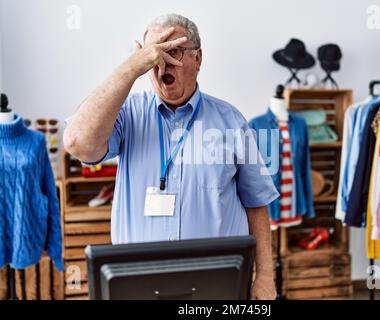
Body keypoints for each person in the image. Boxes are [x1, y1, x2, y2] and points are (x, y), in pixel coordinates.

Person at [63, 14, 279, 299]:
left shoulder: (232, 121)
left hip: (216, 285)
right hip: (137, 283)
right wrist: (131, 67)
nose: (161, 62)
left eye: (173, 51)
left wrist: (264, 275)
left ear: (198, 58)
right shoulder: (126, 115)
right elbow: (78, 142)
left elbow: (256, 204)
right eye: (154, 54)